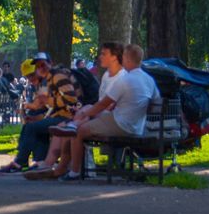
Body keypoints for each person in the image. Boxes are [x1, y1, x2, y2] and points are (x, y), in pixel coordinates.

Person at [54, 43, 157, 181]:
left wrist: (85, 113)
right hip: (137, 126)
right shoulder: (149, 80)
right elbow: (155, 102)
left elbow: (103, 104)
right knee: (84, 118)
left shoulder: (125, 80)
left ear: (126, 58)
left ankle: (75, 172)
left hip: (120, 124)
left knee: (79, 132)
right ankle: (74, 127)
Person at [0, 67, 79, 174]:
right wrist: (34, 116)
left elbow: (65, 102)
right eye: (28, 77)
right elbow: (48, 111)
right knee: (34, 126)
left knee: (32, 127)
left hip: (67, 117)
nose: (30, 79)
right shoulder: (44, 84)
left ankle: (21, 161)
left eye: (31, 76)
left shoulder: (49, 83)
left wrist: (41, 103)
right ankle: (40, 162)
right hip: (59, 116)